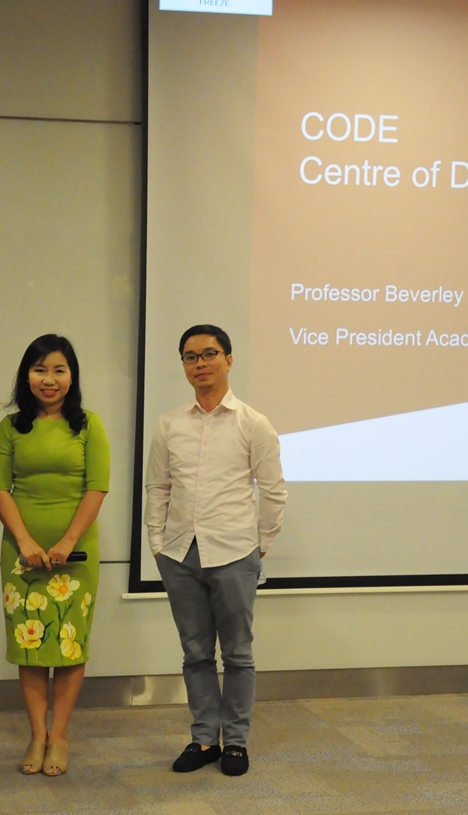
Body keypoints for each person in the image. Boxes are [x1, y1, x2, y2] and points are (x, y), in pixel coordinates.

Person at [145, 324, 287, 777]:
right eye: (190, 356)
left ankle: (236, 743)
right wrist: (157, 544)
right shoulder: (170, 424)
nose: (200, 363)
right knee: (196, 654)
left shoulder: (253, 423)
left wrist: (258, 547)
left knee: (238, 655)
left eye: (209, 354)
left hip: (235, 553)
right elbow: (158, 487)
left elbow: (274, 491)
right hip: (180, 555)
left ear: (228, 359)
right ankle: (205, 738)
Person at [0, 334, 109, 777]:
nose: (49, 379)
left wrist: (68, 542)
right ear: (27, 376)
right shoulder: (10, 428)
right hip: (20, 553)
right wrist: (23, 540)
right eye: (40, 369)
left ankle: (59, 737)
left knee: (69, 644)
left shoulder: (89, 425)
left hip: (77, 554)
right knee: (31, 646)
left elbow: (97, 487)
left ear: (72, 376)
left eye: (59, 370)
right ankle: (36, 735)